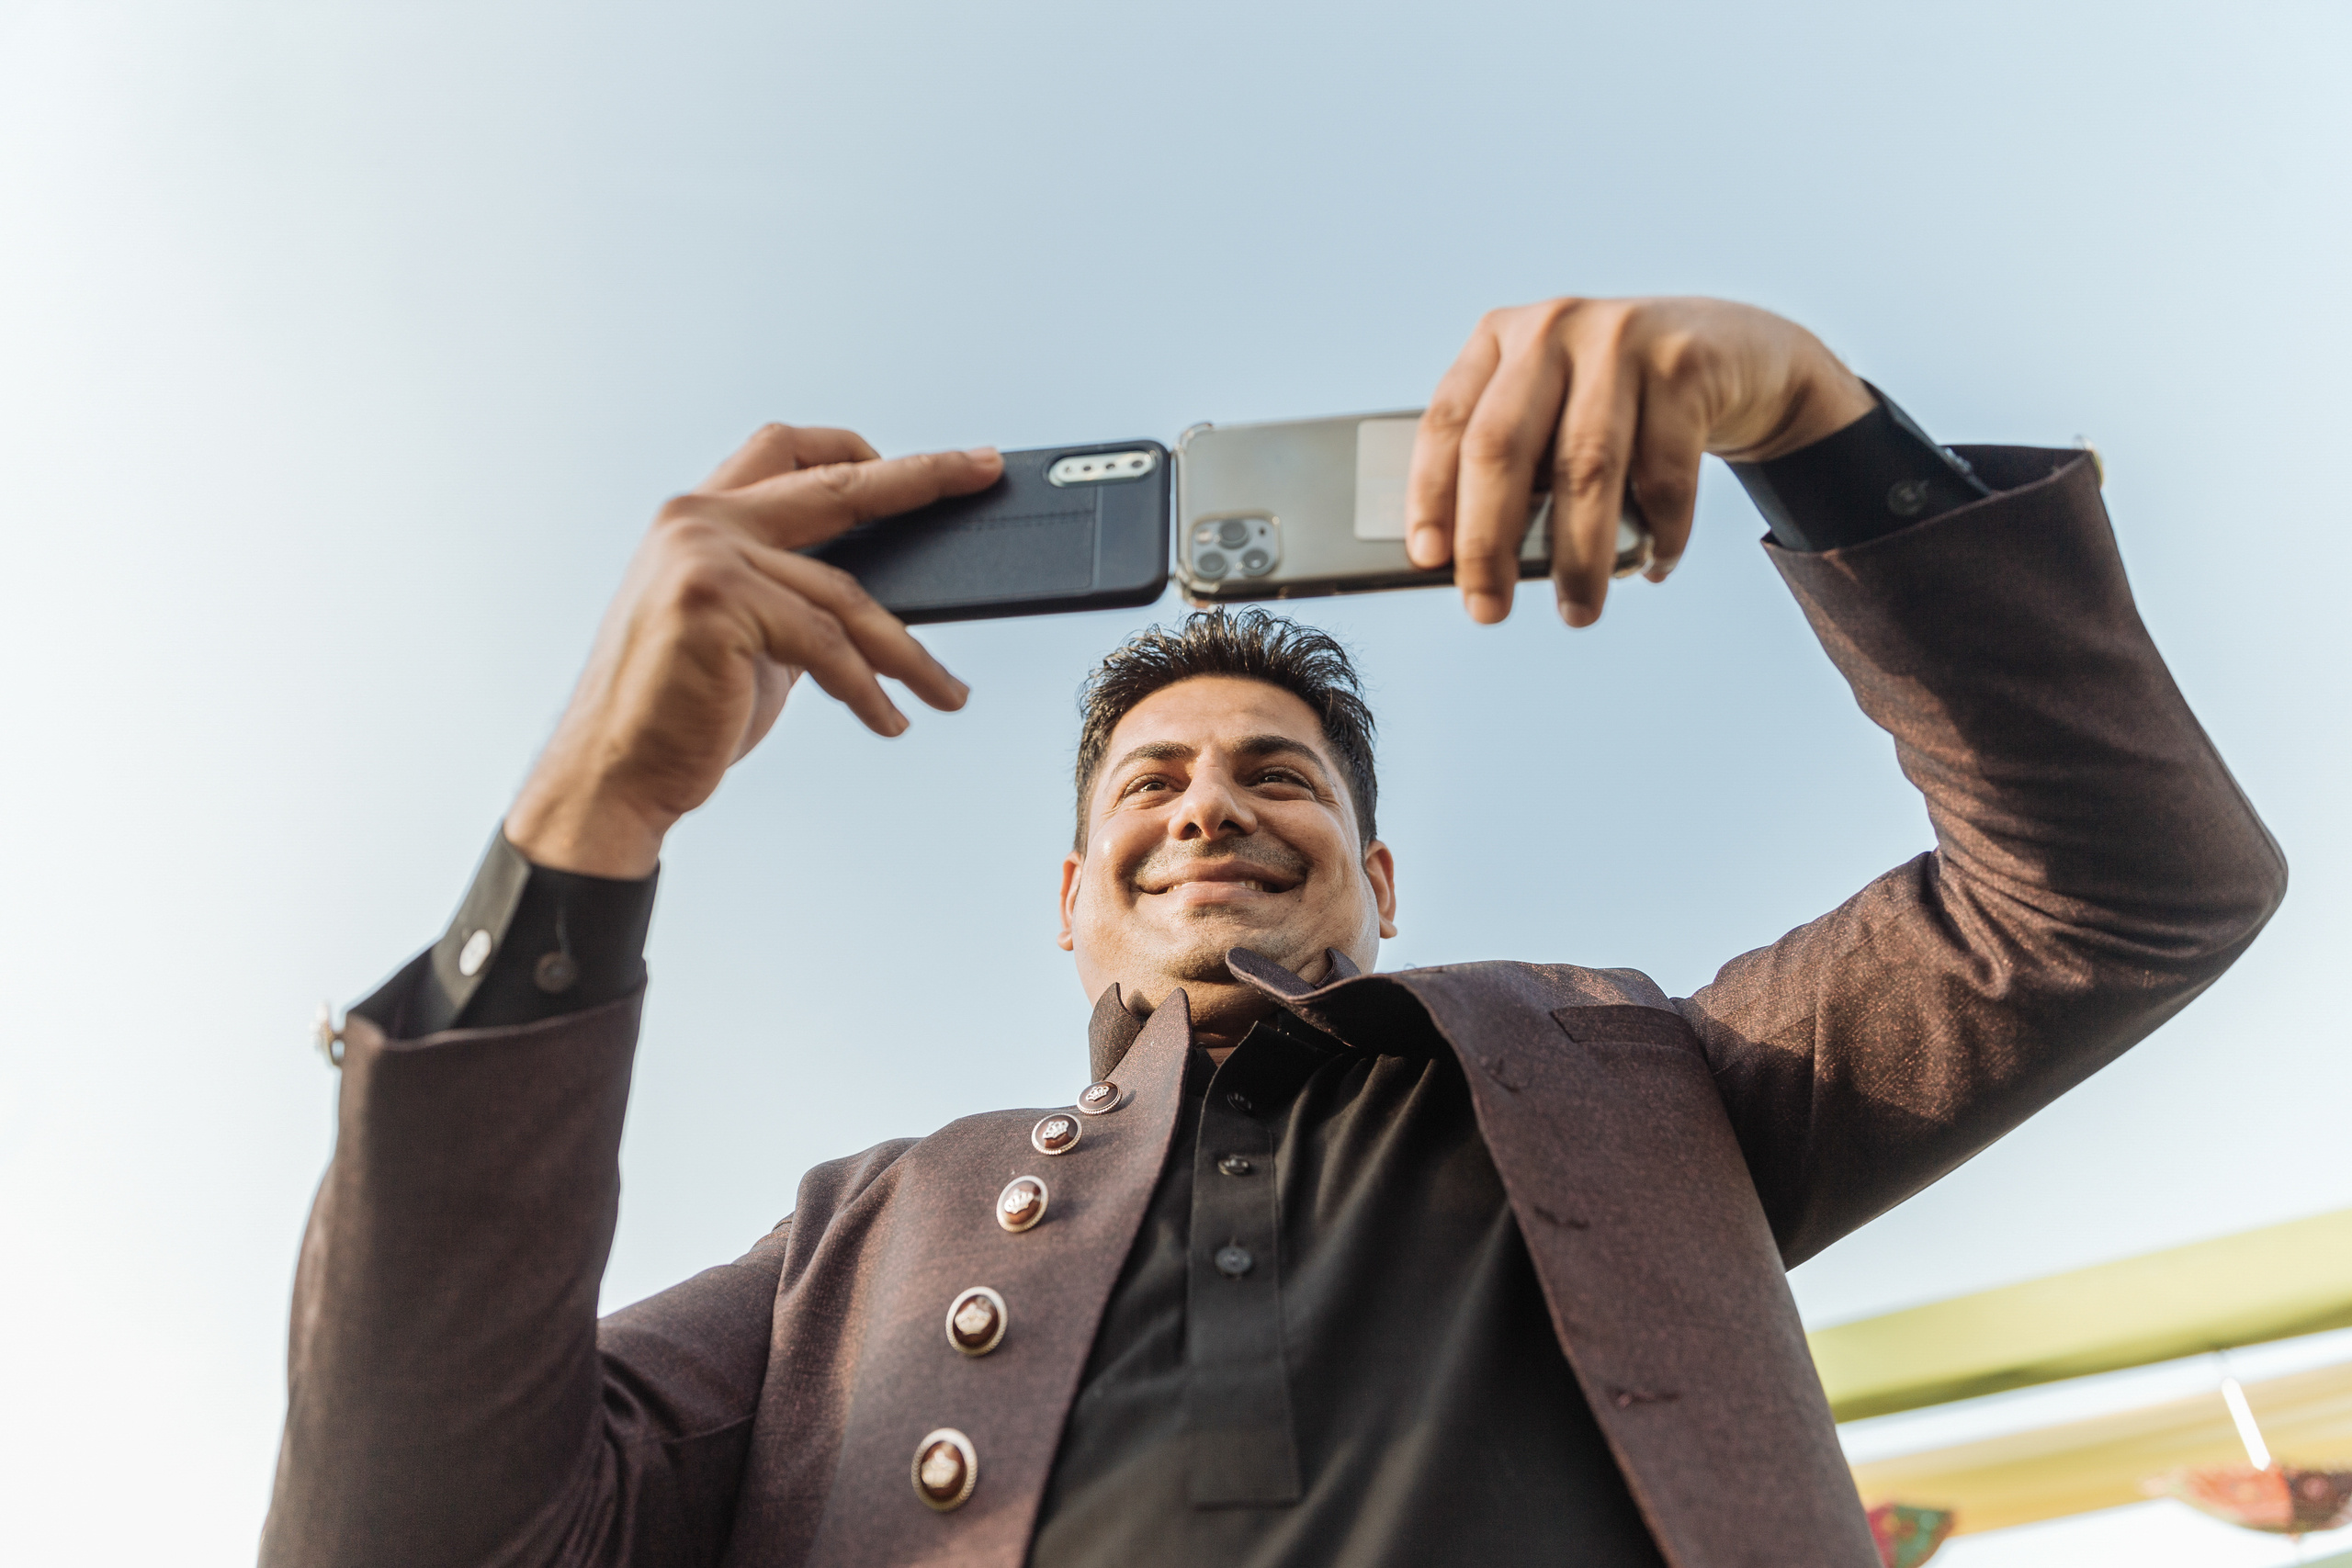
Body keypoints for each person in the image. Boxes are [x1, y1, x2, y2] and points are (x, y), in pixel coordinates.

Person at [262, 298, 2285, 1568]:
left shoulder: (1644, 1077)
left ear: (1380, 883)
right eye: (1144, 785)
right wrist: (583, 821)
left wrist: (1819, 426)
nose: (1208, 799)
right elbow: (404, 1532)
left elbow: (2126, 878)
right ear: (1069, 904)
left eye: (1276, 776)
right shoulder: (852, 1243)